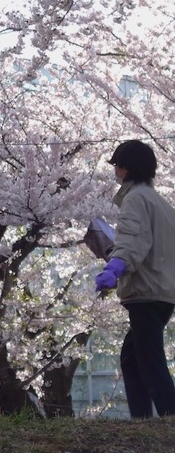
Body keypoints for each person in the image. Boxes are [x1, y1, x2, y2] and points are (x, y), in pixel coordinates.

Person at [95, 139, 175, 418]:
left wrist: (114, 268)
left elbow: (132, 240)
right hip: (163, 291)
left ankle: (168, 416)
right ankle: (143, 418)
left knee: (150, 361)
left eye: (117, 165)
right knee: (132, 358)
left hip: (146, 292)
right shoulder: (161, 203)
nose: (115, 171)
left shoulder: (136, 199)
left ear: (127, 169)